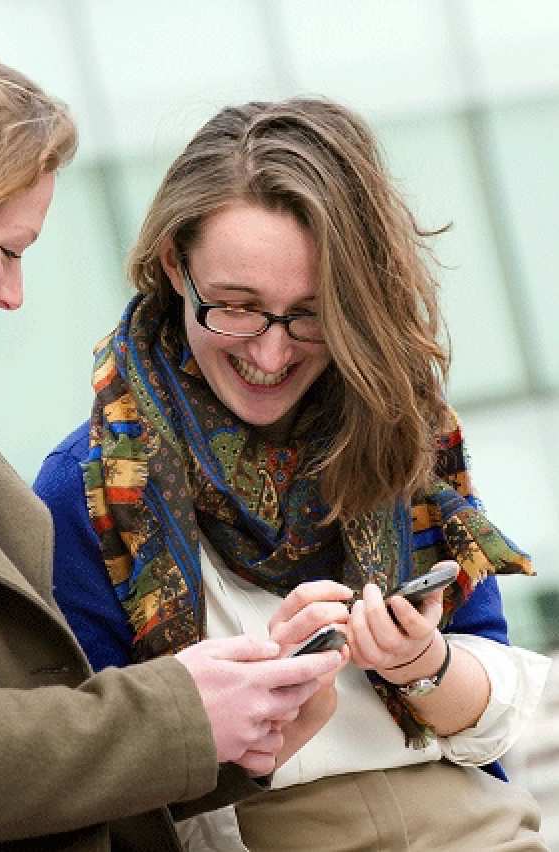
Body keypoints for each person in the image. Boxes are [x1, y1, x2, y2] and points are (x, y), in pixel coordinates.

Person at [35, 97, 551, 851]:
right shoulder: (86, 490)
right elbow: (96, 775)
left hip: (470, 823)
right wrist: (248, 702)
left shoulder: (400, 433)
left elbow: (485, 703)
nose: (271, 355)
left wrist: (422, 664)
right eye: (238, 309)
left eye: (309, 315)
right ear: (176, 266)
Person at [0, 43, 344, 852]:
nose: (14, 295)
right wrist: (181, 714)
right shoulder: (74, 481)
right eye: (7, 250)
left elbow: (44, 758)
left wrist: (238, 726)